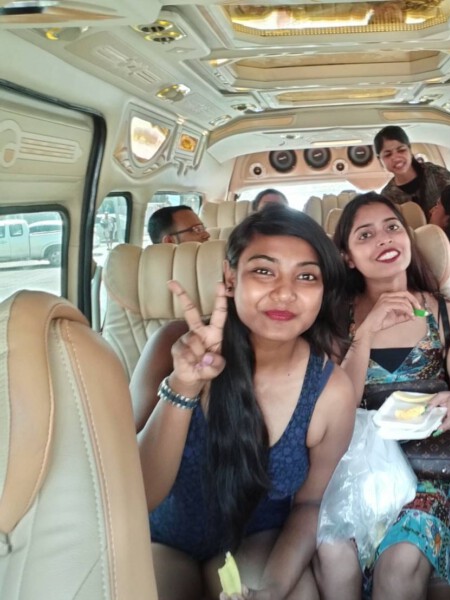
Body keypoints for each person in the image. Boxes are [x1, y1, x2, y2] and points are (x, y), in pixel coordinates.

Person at [131, 205, 356, 599]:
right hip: (161, 540)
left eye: (306, 276)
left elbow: (309, 504)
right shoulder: (171, 346)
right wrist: (184, 384)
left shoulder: (330, 389)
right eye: (264, 271)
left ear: (323, 292)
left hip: (255, 541)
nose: (284, 292)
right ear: (230, 278)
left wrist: (273, 589)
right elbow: (138, 493)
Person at [314, 192, 450, 599]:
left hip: (433, 479)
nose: (384, 239)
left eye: (392, 228)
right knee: (333, 555)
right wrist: (366, 333)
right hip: (361, 477)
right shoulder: (333, 320)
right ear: (347, 257)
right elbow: (334, 410)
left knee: (400, 561)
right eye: (365, 235)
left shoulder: (445, 315)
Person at [374, 125, 450, 217]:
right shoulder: (388, 197)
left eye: (401, 150)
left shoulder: (434, 173)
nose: (396, 158)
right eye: (388, 155)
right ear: (380, 160)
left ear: (409, 149)